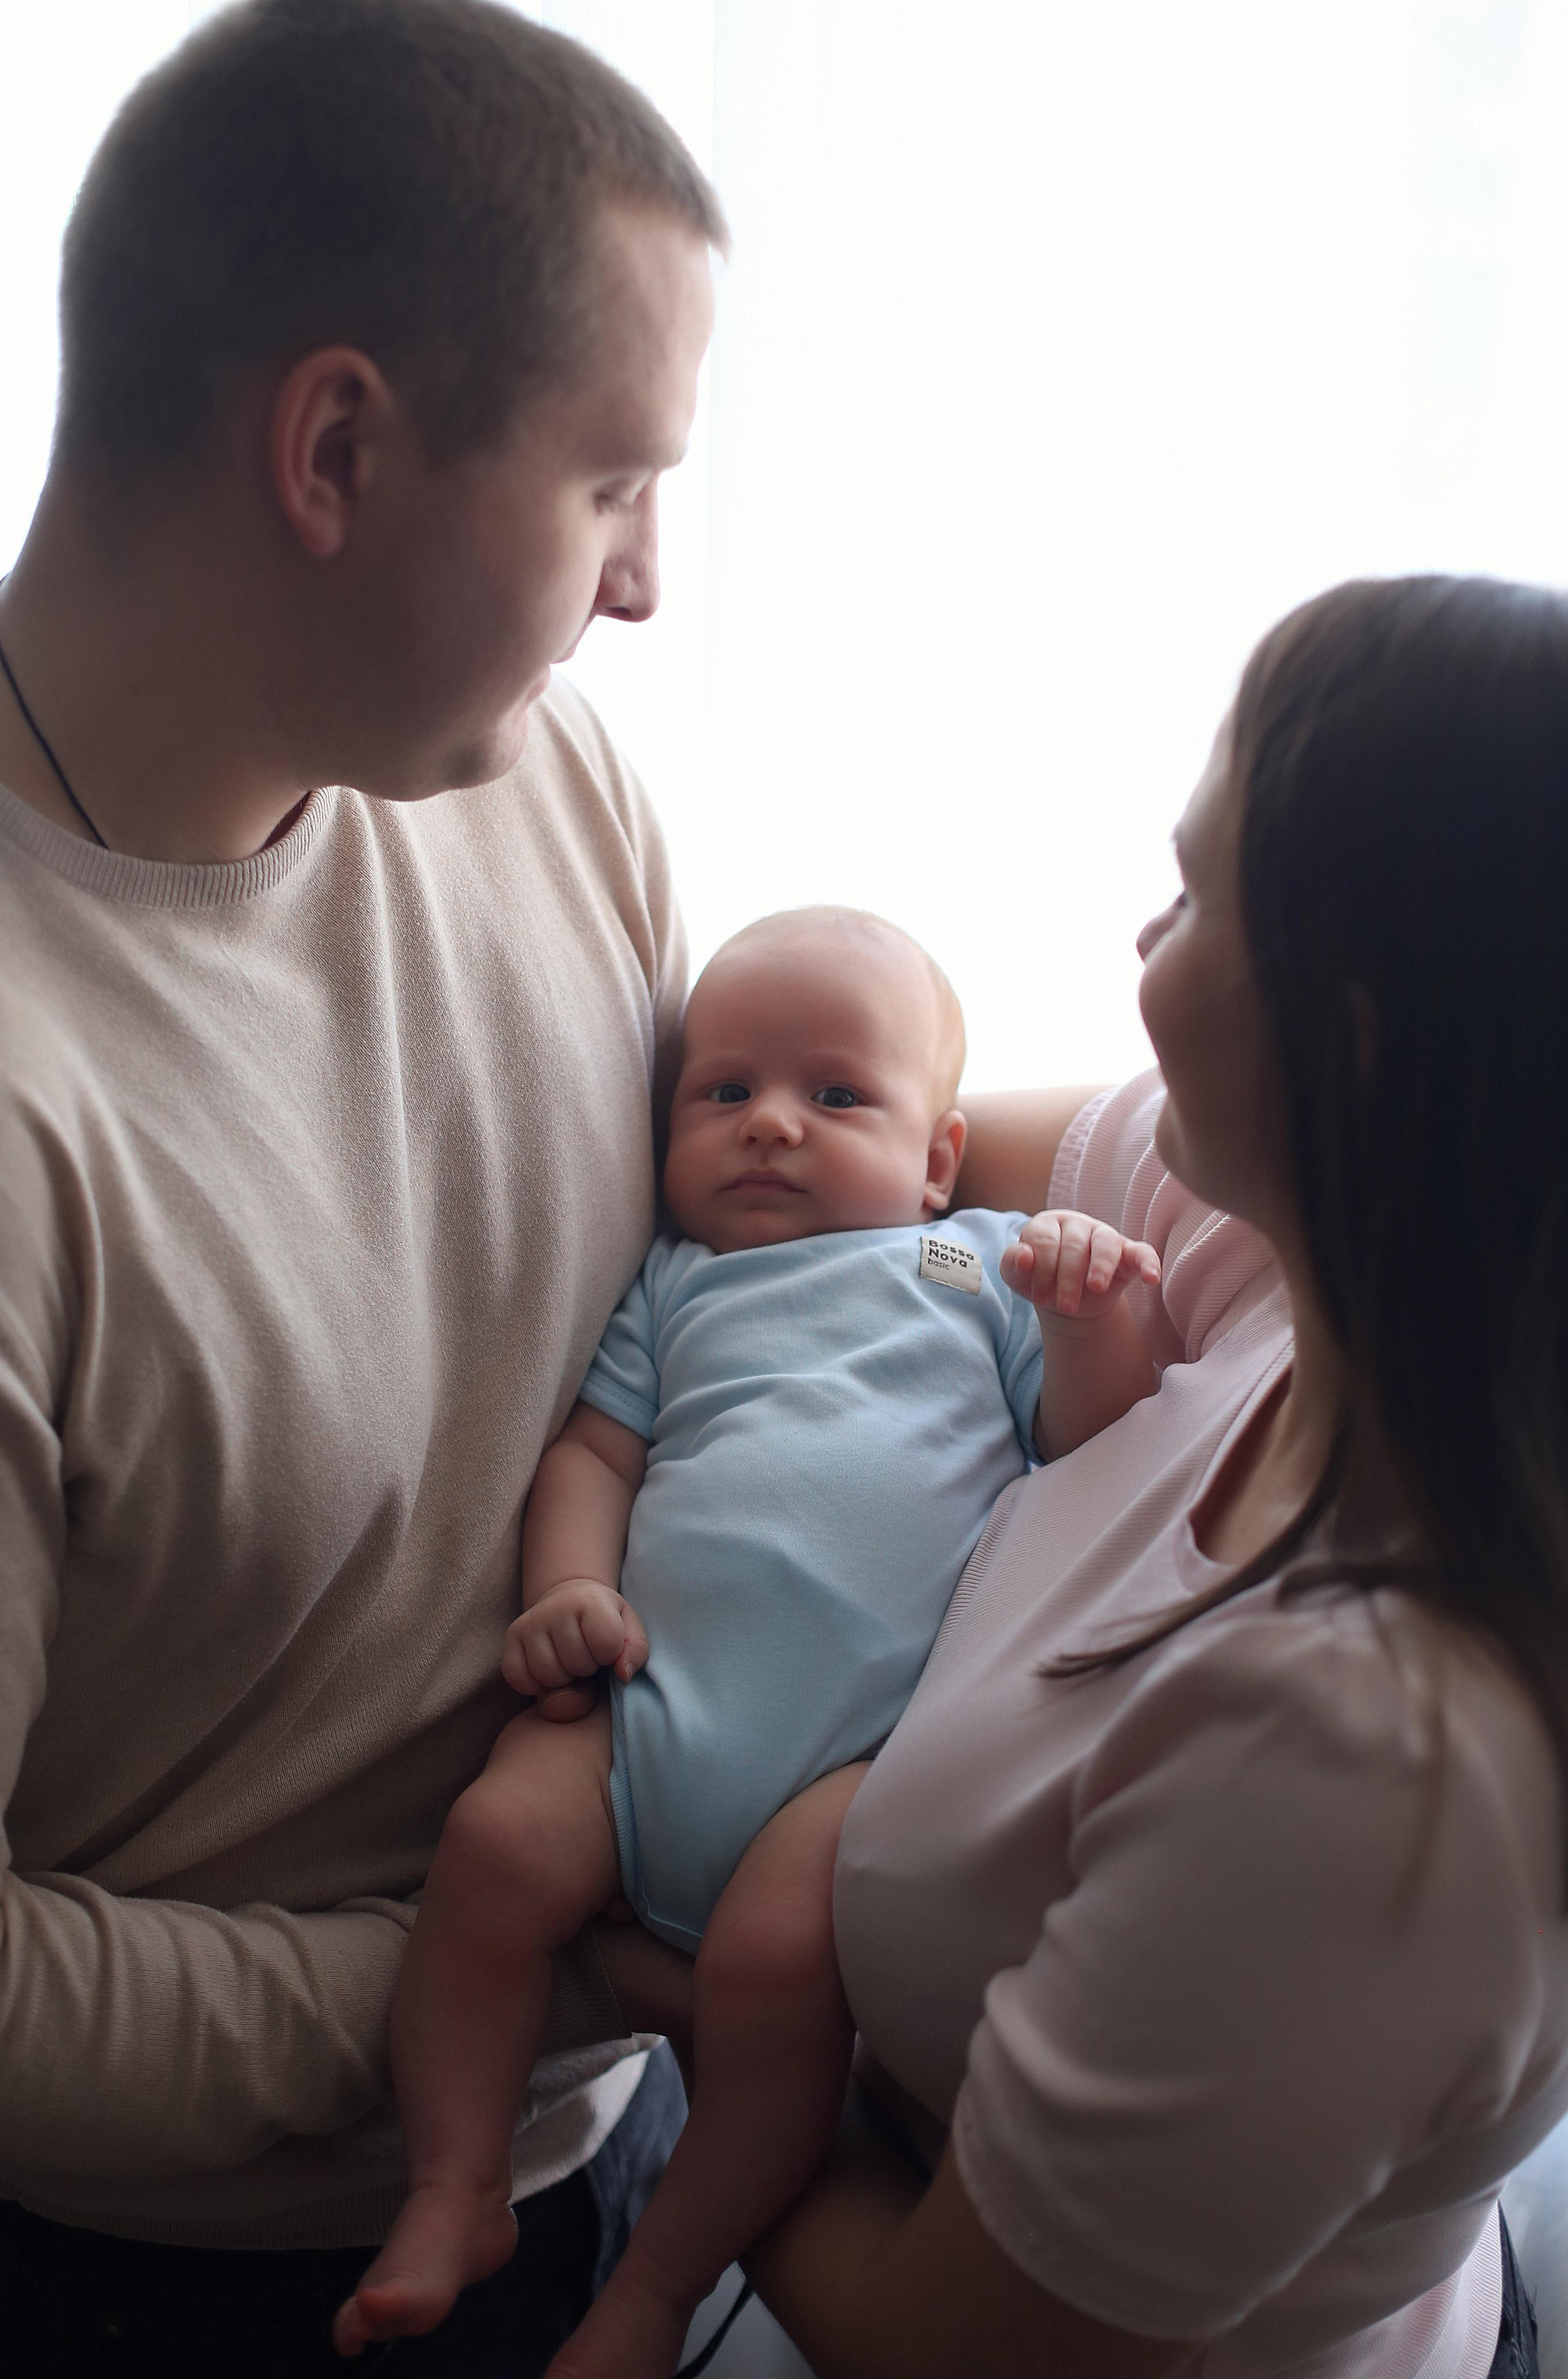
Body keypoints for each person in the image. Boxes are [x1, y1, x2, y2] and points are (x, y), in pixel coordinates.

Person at [0, 2, 730, 2371]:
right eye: (616, 484)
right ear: (334, 448)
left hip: (607, 2129)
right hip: (195, 2289)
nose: (646, 587)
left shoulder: (546, 786)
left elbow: (736, 1241)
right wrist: (488, 1974)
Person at [723, 576, 1568, 2379]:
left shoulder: (1365, 1765)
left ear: (1353, 1036)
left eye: (1193, 898)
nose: (1137, 936)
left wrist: (674, 2019)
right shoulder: (1344, 1282)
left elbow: (941, 2345)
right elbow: (966, 1151)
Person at [334, 904, 1162, 2373]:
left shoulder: (971, 1269)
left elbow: (1082, 1443)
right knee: (487, 1857)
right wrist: (563, 1591)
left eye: (833, 1095)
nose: (770, 1125)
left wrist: (1090, 1313)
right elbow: (592, 1457)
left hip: (852, 1763)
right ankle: (454, 2185)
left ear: (934, 1162)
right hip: (645, 1706)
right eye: (722, 1092)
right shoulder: (673, 1283)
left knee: (778, 1991)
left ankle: (657, 2285)